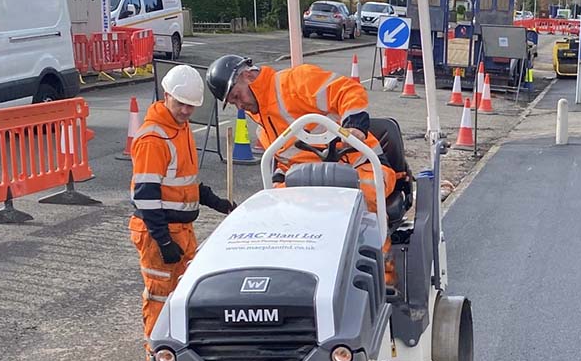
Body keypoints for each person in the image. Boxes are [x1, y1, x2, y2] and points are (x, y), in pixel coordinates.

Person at [205, 55, 395, 215]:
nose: (240, 106)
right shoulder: (264, 129)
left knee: (361, 205)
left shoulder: (294, 81)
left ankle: (380, 257)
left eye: (237, 97)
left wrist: (354, 125)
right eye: (233, 103)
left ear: (247, 76)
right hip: (312, 184)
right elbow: (284, 164)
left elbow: (346, 90)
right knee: (280, 212)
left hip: (360, 166)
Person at [130, 64, 234, 339]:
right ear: (166, 95)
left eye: (191, 105)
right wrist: (163, 241)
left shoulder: (181, 128)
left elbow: (184, 183)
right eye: (181, 103)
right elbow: (147, 197)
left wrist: (217, 202)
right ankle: (157, 356)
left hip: (180, 230)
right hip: (159, 232)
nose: (186, 111)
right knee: (160, 297)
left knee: (183, 295)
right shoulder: (153, 138)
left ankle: (177, 349)